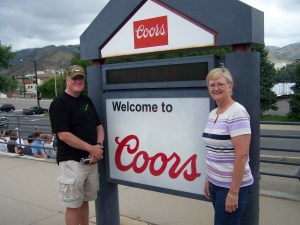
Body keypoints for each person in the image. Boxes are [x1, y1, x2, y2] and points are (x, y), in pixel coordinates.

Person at [49, 65, 104, 225]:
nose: (78, 81)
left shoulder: (87, 100)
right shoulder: (59, 103)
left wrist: (98, 147)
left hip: (91, 160)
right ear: (67, 80)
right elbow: (64, 135)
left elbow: (99, 127)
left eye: (81, 78)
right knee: (73, 205)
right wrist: (91, 148)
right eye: (74, 78)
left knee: (85, 201)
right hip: (72, 163)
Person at [202, 66, 253, 225]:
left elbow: (242, 154)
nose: (216, 88)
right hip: (215, 184)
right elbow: (213, 151)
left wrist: (233, 192)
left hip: (231, 187)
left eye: (220, 84)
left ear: (230, 87)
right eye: (212, 85)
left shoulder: (237, 112)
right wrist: (208, 179)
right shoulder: (214, 113)